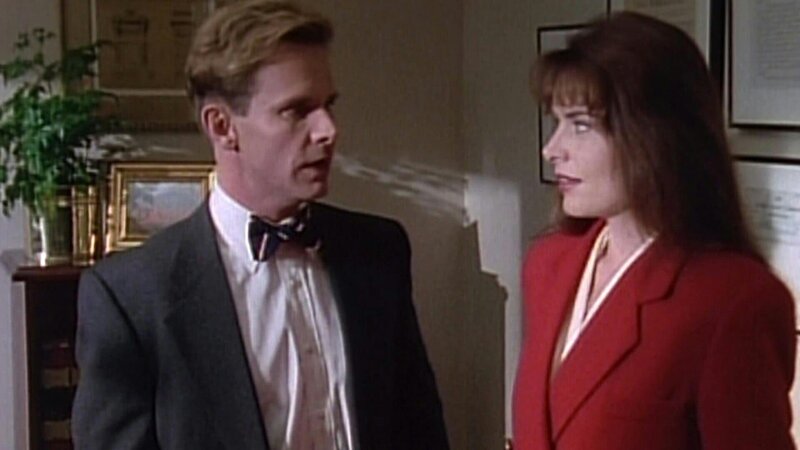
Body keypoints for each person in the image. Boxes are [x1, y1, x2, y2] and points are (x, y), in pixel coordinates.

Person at [71, 1, 449, 449]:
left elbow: (420, 432)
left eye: (328, 105)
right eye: (297, 110)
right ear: (222, 126)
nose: (328, 130)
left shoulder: (379, 250)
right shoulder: (131, 297)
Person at [513, 12, 796, 450]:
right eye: (556, 122)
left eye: (581, 125)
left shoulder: (734, 301)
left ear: (653, 137)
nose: (552, 149)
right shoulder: (549, 263)